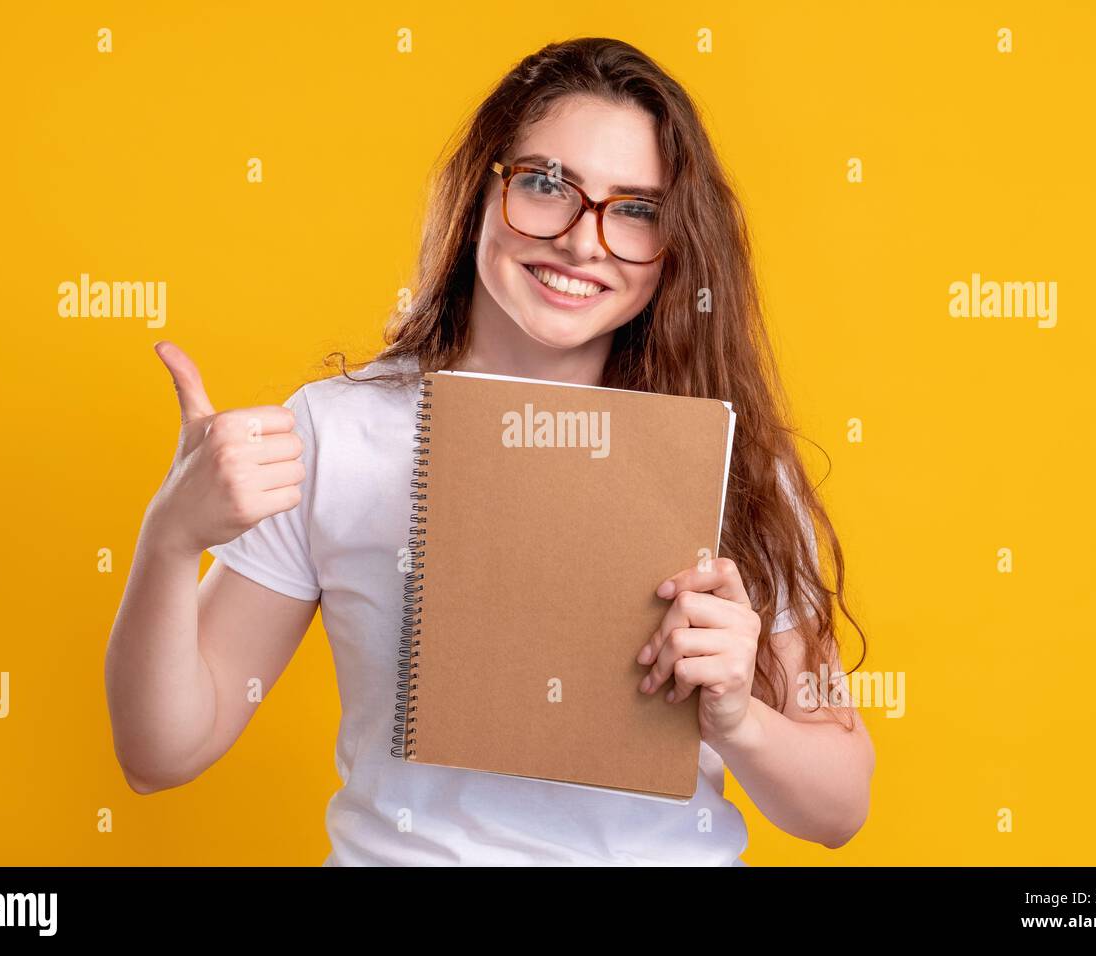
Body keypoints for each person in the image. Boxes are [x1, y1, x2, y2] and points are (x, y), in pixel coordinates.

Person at [105, 36, 874, 865]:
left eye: (636, 210)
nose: (585, 243)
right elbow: (160, 754)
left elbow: (840, 804)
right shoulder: (338, 432)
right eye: (547, 186)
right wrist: (170, 536)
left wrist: (738, 718)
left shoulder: (732, 462)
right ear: (483, 187)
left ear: (674, 245)